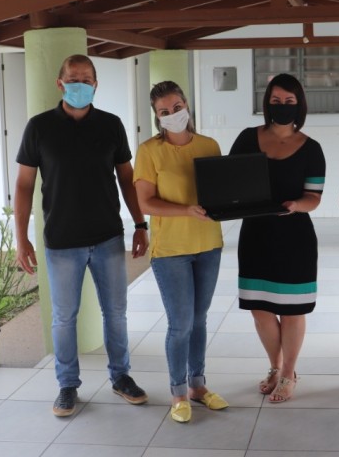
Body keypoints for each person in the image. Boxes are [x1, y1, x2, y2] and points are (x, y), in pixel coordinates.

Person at [14, 53, 149, 417]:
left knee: (116, 314)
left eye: (86, 80)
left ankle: (121, 377)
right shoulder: (39, 127)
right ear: (60, 83)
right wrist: (21, 237)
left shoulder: (111, 125)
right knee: (64, 318)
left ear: (95, 85)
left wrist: (140, 224)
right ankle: (67, 385)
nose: (80, 85)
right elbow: (24, 185)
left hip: (107, 237)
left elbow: (126, 178)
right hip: (61, 241)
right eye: (73, 79)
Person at [133, 81, 229, 424]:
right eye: (164, 112)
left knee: (199, 319)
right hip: (171, 250)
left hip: (208, 246)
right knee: (180, 324)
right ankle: (178, 393)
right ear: (156, 117)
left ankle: (198, 386)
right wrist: (187, 210)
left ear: (186, 105)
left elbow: (220, 190)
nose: (173, 115)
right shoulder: (149, 151)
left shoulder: (209, 145)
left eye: (176, 108)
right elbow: (146, 203)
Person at [230, 73, 325, 404]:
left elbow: (314, 197)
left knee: (293, 311)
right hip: (255, 235)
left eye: (289, 101)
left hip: (294, 237)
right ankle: (275, 366)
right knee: (260, 309)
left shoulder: (311, 148)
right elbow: (230, 181)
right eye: (276, 101)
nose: (282, 106)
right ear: (266, 104)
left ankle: (289, 372)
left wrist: (297, 205)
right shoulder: (247, 138)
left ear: (299, 105)